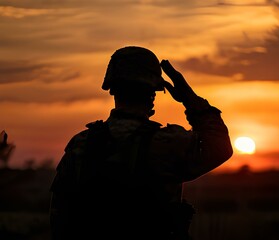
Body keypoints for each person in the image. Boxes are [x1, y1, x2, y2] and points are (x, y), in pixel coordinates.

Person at [49, 46, 233, 240]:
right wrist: (190, 99)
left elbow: (59, 218)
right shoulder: (169, 143)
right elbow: (220, 147)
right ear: (153, 93)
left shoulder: (80, 144)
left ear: (112, 89)